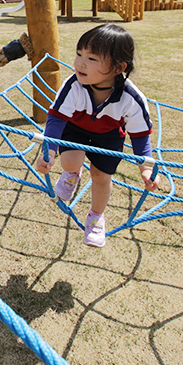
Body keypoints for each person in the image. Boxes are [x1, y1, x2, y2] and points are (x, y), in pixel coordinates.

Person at [34, 24, 160, 247]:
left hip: (108, 136)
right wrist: (49, 151)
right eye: (79, 54)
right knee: (70, 160)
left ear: (118, 67)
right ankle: (72, 174)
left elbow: (140, 135)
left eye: (92, 58)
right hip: (76, 128)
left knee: (101, 176)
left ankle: (96, 217)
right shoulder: (73, 85)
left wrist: (146, 168)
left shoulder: (131, 97)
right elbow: (56, 118)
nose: (80, 63)